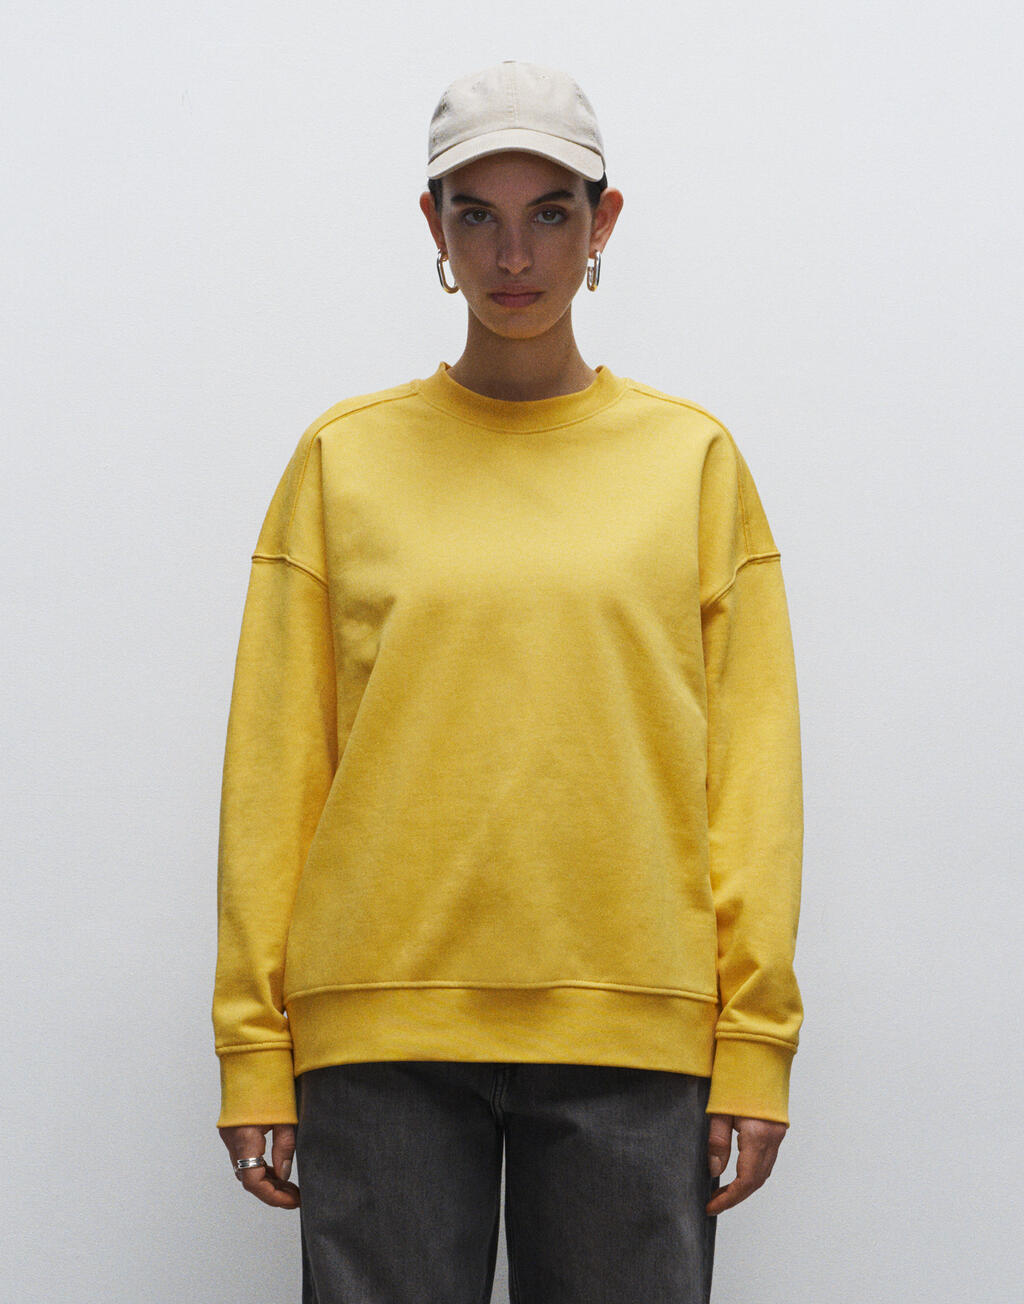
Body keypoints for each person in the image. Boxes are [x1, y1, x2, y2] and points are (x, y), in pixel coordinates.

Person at [213, 60, 803, 1304]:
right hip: (378, 1026)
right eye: (476, 213)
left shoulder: (690, 463)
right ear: (432, 226)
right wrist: (254, 1044)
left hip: (630, 1024)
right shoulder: (342, 462)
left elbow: (752, 776)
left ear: (603, 223)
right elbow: (276, 770)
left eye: (550, 212)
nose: (514, 253)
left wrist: (753, 1037)